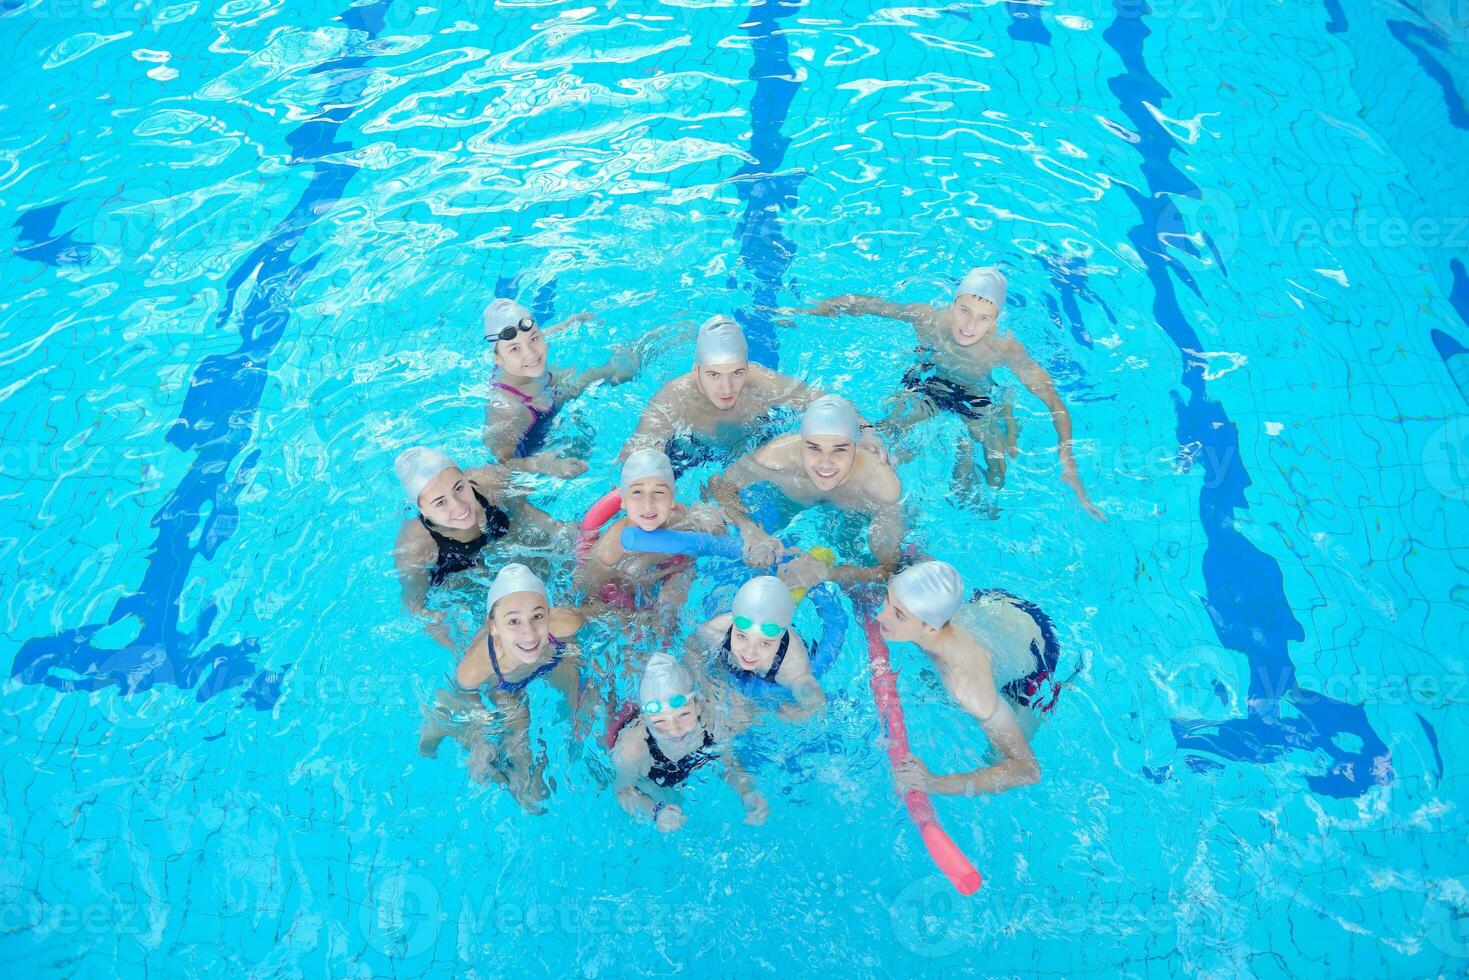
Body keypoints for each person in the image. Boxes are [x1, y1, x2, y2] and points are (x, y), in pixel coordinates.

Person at [797, 268, 1105, 519]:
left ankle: (982, 433)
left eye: (984, 318)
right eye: (964, 311)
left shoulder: (1005, 348)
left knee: (996, 477)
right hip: (929, 380)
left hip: (975, 396)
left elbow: (1054, 402)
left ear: (996, 320)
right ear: (953, 304)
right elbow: (872, 305)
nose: (969, 326)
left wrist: (1068, 461)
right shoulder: (928, 319)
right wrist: (824, 306)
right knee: (889, 434)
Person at [621, 314, 888, 475]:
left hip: (752, 443)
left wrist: (866, 432)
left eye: (737, 373)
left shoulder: (761, 381)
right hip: (691, 452)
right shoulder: (671, 400)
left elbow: (827, 402)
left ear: (747, 368)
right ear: (696, 371)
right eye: (714, 375)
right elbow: (634, 461)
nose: (727, 389)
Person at [418, 564, 586, 812]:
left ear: (549, 614)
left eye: (537, 616)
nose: (528, 633)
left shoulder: (567, 623)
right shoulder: (475, 667)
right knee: (519, 738)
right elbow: (467, 699)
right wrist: (479, 737)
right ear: (494, 627)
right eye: (514, 621)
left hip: (551, 659)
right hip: (505, 685)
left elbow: (602, 619)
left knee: (581, 713)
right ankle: (438, 727)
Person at [873, 560, 1049, 796]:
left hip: (1035, 646)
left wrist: (934, 782)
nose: (880, 615)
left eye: (898, 614)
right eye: (887, 600)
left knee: (995, 755)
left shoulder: (967, 687)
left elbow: (1026, 769)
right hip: (997, 606)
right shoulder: (932, 599)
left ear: (932, 628)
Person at [708, 395, 904, 590]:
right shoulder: (776, 457)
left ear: (856, 447)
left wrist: (827, 573)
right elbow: (719, 484)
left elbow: (888, 571)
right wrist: (748, 528)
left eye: (840, 450)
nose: (825, 463)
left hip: (855, 514)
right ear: (800, 443)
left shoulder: (881, 486)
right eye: (814, 449)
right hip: (790, 502)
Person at [392, 446, 569, 650]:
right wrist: (438, 627)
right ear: (422, 509)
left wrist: (554, 467)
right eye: (440, 502)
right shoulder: (415, 548)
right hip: (461, 582)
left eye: (459, 488)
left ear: (465, 477)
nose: (459, 507)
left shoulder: (486, 483)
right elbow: (414, 605)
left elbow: (521, 498)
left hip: (505, 548)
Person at [483, 298, 642, 477]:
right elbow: (504, 463)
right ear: (498, 358)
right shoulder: (507, 409)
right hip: (537, 445)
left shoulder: (524, 360)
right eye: (514, 349)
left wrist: (568, 323)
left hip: (546, 394)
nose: (531, 353)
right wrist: (547, 466)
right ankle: (618, 368)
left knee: (579, 379)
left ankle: (616, 368)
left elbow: (536, 335)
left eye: (534, 338)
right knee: (583, 442)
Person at [611, 653, 768, 832]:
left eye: (683, 714)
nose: (675, 731)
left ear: (698, 705)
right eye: (660, 721)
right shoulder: (634, 746)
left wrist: (747, 792)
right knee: (671, 804)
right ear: (645, 719)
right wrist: (656, 811)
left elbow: (729, 763)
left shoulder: (715, 722)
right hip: (653, 779)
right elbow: (623, 790)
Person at [576, 449, 724, 634]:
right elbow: (589, 590)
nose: (648, 504)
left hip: (669, 570)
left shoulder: (680, 518)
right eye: (637, 492)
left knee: (670, 607)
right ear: (622, 500)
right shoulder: (612, 545)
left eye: (659, 492)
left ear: (672, 498)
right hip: (623, 588)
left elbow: (715, 532)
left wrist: (712, 520)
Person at [691, 576, 824, 723]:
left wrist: (796, 713)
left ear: (779, 638)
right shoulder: (716, 629)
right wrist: (706, 684)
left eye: (765, 643)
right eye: (742, 636)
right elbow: (692, 650)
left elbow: (816, 704)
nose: (749, 652)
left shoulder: (792, 664)